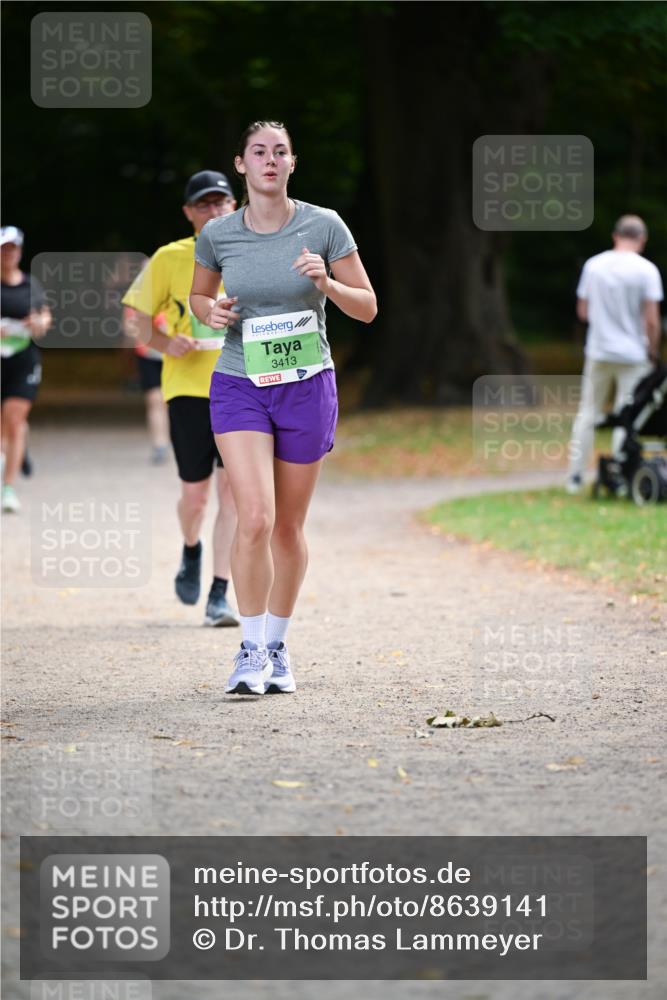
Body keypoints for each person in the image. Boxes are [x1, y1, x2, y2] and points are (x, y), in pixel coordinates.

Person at [190, 120, 377, 694]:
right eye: (258, 152)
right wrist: (210, 312)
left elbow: (367, 307)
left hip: (305, 385)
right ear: (241, 165)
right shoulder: (219, 234)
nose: (270, 160)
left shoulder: (324, 226)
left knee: (289, 528)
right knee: (255, 518)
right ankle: (249, 650)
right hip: (239, 381)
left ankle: (277, 645)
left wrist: (327, 284)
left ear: (292, 163)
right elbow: (200, 298)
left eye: (280, 152)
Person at [122, 172, 240, 626]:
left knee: (233, 495)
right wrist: (165, 343)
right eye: (204, 204)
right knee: (196, 497)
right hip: (189, 389)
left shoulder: (253, 251)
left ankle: (219, 594)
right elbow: (135, 319)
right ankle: (192, 548)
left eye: (221, 202)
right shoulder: (171, 258)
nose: (214, 211)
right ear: (189, 213)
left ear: (235, 205)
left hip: (244, 388)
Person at [566, 214, 664, 494]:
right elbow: (652, 320)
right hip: (633, 354)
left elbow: (583, 311)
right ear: (642, 240)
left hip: (599, 350)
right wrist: (652, 350)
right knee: (628, 414)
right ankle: (622, 474)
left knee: (587, 412)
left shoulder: (594, 266)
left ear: (615, 235)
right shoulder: (646, 270)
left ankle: (575, 476)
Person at [1, 226, 51, 513]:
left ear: (19, 252)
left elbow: (45, 318)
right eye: (3, 248)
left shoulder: (30, 284)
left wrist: (39, 324)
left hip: (23, 360)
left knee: (15, 419)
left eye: (12, 248)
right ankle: (13, 458)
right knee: (4, 425)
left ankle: (8, 488)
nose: (8, 253)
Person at [123, 305, 170, 465]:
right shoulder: (141, 289)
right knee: (155, 400)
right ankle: (160, 445)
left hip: (180, 354)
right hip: (149, 354)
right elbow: (129, 325)